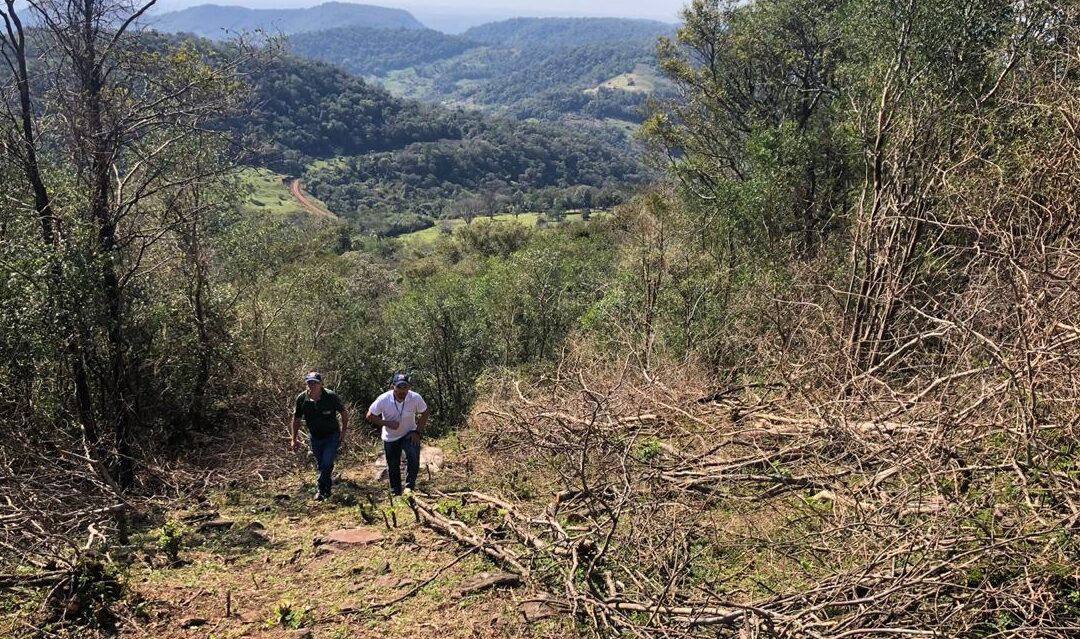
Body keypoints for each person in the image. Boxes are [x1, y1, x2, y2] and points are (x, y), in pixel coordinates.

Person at [366, 373, 429, 495]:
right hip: (390, 437)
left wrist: (418, 432)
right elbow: (370, 416)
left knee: (413, 458)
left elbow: (425, 412)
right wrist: (386, 423)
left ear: (409, 387)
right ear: (392, 387)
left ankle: (409, 487)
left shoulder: (415, 398)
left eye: (405, 387)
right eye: (399, 387)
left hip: (409, 433)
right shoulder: (383, 399)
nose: (402, 391)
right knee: (393, 464)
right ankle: (395, 491)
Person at [291, 371, 349, 501]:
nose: (312, 385)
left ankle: (320, 488)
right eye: (309, 382)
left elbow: (344, 413)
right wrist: (294, 439)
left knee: (327, 463)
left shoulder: (330, 396)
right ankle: (326, 490)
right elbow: (296, 419)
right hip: (315, 437)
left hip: (332, 436)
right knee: (321, 465)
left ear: (321, 383)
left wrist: (343, 432)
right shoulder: (302, 399)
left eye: (315, 382)